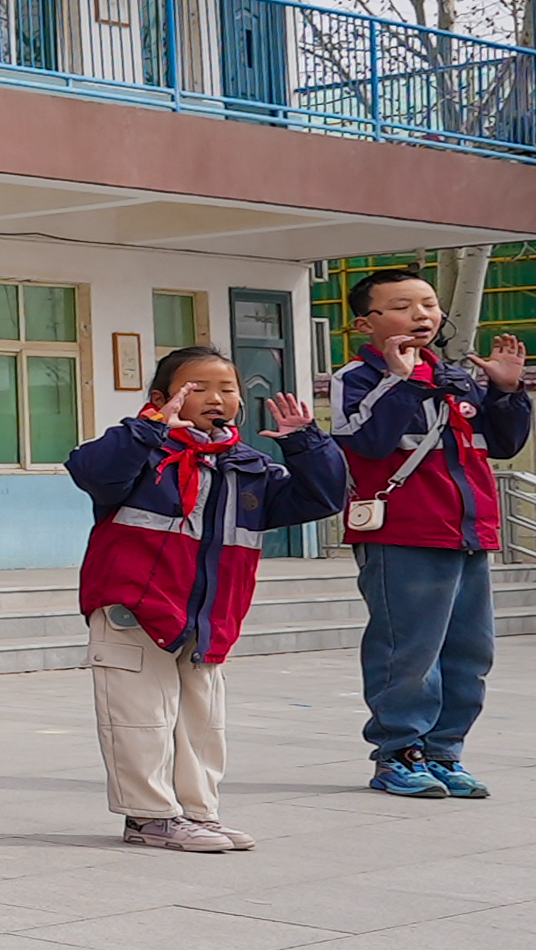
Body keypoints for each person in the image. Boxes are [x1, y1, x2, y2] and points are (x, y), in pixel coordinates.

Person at [71, 346, 346, 853]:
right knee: (141, 718)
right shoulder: (143, 454)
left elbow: (325, 497)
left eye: (228, 388)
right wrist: (149, 428)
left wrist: (306, 444)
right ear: (161, 399)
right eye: (198, 388)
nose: (216, 398)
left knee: (203, 722)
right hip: (135, 610)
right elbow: (92, 470)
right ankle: (149, 816)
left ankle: (198, 813)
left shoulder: (250, 469)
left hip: (208, 617)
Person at [329, 267, 534, 800]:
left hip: (469, 531)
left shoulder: (456, 377)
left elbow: (503, 445)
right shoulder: (357, 378)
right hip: (405, 533)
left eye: (428, 304)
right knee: (408, 651)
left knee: (470, 652)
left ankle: (444, 752)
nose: (420, 315)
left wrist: (506, 391)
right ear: (365, 323)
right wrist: (400, 381)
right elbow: (366, 443)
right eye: (402, 307)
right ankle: (399, 754)